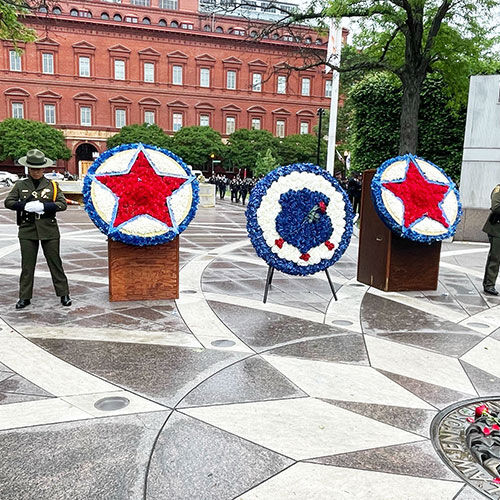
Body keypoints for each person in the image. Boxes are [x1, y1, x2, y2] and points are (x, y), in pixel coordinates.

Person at [4, 149, 71, 309]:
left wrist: (45, 206)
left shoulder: (52, 185)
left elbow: (62, 204)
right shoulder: (20, 184)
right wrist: (25, 206)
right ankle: (24, 297)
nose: (36, 172)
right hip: (27, 229)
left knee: (55, 262)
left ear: (44, 169)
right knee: (27, 265)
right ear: (28, 168)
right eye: (33, 169)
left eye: (38, 169)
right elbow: (8, 202)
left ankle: (64, 293)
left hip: (49, 228)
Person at [482, 183, 500, 295]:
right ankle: (489, 284)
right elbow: (496, 207)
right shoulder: (498, 190)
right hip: (497, 229)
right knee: (495, 258)